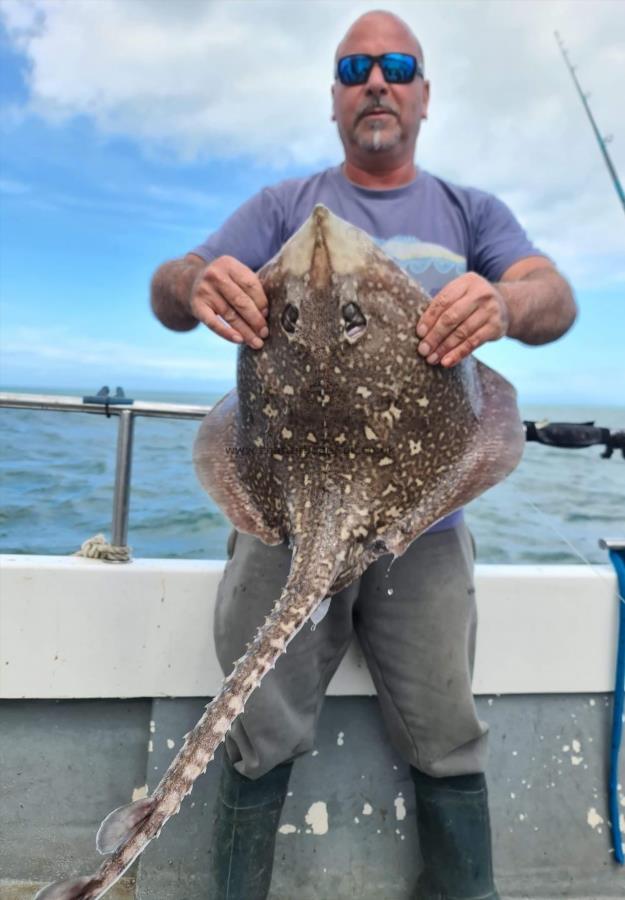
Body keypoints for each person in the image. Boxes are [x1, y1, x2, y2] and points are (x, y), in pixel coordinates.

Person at [150, 10, 576, 899]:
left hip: (427, 518)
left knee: (445, 733)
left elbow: (554, 297)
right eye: (354, 68)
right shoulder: (280, 208)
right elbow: (168, 285)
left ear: (422, 95)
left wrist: (502, 302)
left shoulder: (470, 211)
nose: (374, 81)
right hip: (285, 509)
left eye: (394, 66)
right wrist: (195, 283)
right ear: (334, 96)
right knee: (258, 727)